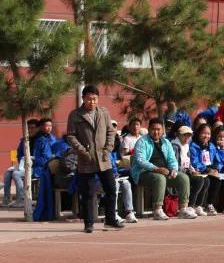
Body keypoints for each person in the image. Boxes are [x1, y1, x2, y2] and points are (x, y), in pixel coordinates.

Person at [64, 86, 122, 233]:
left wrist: (108, 148)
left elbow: (111, 131)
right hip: (86, 159)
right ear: (83, 98)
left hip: (103, 158)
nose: (92, 102)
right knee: (87, 193)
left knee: (111, 189)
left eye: (95, 99)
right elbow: (71, 136)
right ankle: (88, 223)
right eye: (89, 99)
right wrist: (83, 151)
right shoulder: (75, 115)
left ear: (98, 99)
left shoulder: (103, 112)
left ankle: (110, 220)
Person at [131, 118, 196, 220]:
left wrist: (174, 169)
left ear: (162, 131)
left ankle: (183, 209)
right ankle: (157, 210)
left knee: (183, 178)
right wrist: (156, 169)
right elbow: (140, 160)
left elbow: (172, 159)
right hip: (143, 173)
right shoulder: (142, 142)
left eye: (158, 129)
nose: (156, 132)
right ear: (148, 129)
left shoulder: (166, 142)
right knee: (160, 178)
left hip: (164, 172)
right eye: (153, 129)